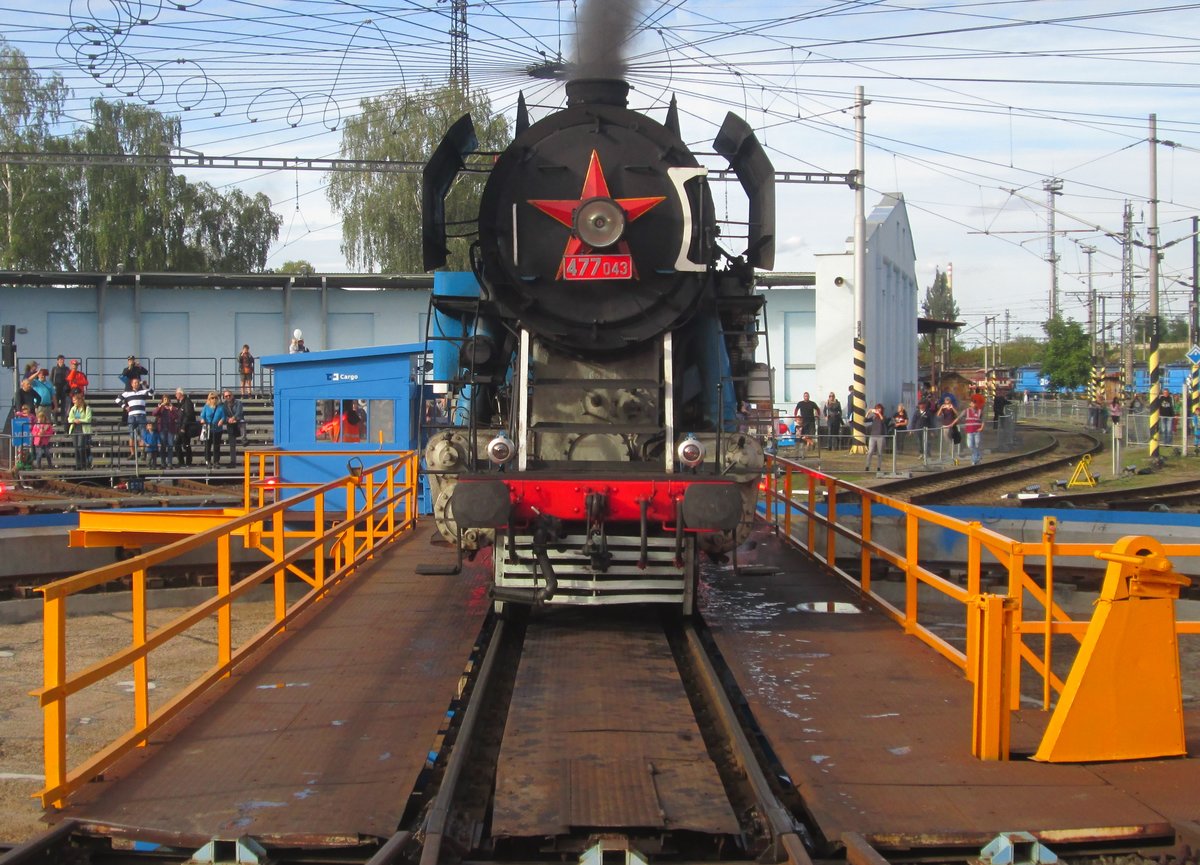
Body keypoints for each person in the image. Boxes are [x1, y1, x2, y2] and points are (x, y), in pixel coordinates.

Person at [116, 377, 154, 461]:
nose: (136, 384)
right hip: (132, 416)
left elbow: (152, 393)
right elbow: (117, 399)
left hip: (141, 415)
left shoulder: (143, 392)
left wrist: (146, 385)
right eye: (135, 383)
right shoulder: (127, 393)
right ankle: (132, 453)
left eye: (137, 382)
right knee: (131, 435)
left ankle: (142, 452)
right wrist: (124, 406)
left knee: (143, 435)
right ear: (132, 384)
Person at [219, 389, 245, 466]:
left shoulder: (238, 402)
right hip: (230, 424)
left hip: (238, 422)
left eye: (229, 395)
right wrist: (228, 419)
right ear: (224, 397)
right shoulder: (223, 405)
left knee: (243, 438)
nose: (228, 397)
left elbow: (239, 412)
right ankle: (233, 461)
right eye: (226, 396)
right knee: (232, 445)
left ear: (232, 395)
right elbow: (223, 414)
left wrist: (233, 418)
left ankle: (244, 439)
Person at [199, 391, 226, 467]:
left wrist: (221, 420)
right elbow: (202, 416)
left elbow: (224, 416)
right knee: (208, 446)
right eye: (212, 398)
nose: (214, 399)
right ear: (209, 399)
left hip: (217, 429)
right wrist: (203, 420)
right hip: (208, 429)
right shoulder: (206, 407)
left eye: (215, 398)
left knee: (216, 446)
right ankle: (208, 461)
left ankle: (216, 461)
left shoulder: (220, 407)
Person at [67, 392, 93, 470]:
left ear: (79, 400)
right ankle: (78, 465)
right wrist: (74, 420)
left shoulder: (87, 408)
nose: (73, 402)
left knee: (81, 447)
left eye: (74, 400)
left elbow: (88, 419)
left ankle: (84, 464)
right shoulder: (73, 408)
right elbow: (69, 418)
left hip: (83, 429)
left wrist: (80, 420)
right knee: (76, 448)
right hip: (75, 428)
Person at [154, 393, 180, 467]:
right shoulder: (160, 407)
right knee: (163, 446)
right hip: (162, 429)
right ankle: (163, 462)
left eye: (167, 399)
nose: (166, 400)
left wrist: (171, 410)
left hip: (170, 429)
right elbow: (154, 413)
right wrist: (160, 406)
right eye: (164, 399)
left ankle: (169, 463)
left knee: (170, 446)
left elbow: (176, 417)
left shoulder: (173, 408)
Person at [175, 388, 197, 467]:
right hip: (180, 427)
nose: (175, 395)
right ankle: (181, 461)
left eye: (176, 393)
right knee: (177, 444)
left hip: (185, 427)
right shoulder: (180, 402)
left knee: (186, 444)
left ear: (181, 394)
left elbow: (188, 415)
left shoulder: (187, 402)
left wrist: (183, 427)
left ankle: (188, 462)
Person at [936, 395, 961, 464]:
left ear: (950, 402)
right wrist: (941, 408)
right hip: (945, 424)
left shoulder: (952, 407)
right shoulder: (943, 408)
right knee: (946, 439)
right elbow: (938, 414)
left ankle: (952, 453)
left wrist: (952, 408)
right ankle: (950, 452)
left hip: (951, 424)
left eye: (948, 401)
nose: (947, 403)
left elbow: (957, 414)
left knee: (951, 438)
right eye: (946, 401)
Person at [864, 402, 886, 472]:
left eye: (879, 408)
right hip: (872, 436)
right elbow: (865, 420)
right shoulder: (873, 417)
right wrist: (868, 412)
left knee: (879, 453)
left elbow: (883, 421)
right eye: (876, 408)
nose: (877, 410)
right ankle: (867, 466)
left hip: (880, 436)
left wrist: (879, 413)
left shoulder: (883, 416)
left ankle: (879, 467)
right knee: (870, 452)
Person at [963, 397, 985, 465]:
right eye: (972, 403)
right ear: (970, 404)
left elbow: (983, 420)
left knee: (977, 444)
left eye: (975, 403)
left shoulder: (980, 411)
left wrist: (981, 427)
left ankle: (974, 460)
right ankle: (978, 455)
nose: (973, 404)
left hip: (977, 431)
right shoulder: (966, 411)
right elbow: (960, 417)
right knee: (970, 445)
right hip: (969, 431)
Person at [49, 354, 70, 422]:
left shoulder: (67, 369)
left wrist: (67, 386)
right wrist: (52, 387)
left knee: (63, 405)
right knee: (55, 405)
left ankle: (63, 420)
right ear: (57, 361)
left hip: (64, 388)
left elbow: (69, 379)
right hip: (56, 388)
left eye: (63, 359)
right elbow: (51, 379)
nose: (61, 361)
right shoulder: (54, 368)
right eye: (60, 359)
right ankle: (55, 421)